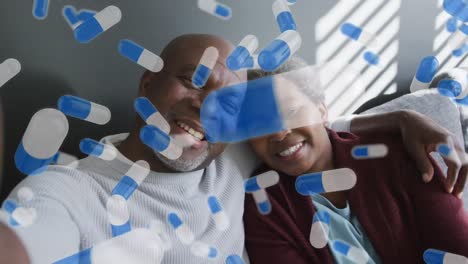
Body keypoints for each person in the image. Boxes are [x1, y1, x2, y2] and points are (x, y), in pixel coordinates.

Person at [0, 35, 466, 264]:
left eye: (231, 103)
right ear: (147, 81)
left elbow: (311, 130)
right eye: (191, 81)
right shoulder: (69, 191)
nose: (207, 109)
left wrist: (405, 117)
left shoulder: (230, 154)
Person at [243, 57, 468, 263]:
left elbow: (457, 245)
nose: (279, 133)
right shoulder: (263, 208)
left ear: (322, 111)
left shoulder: (394, 153)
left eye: (291, 111)